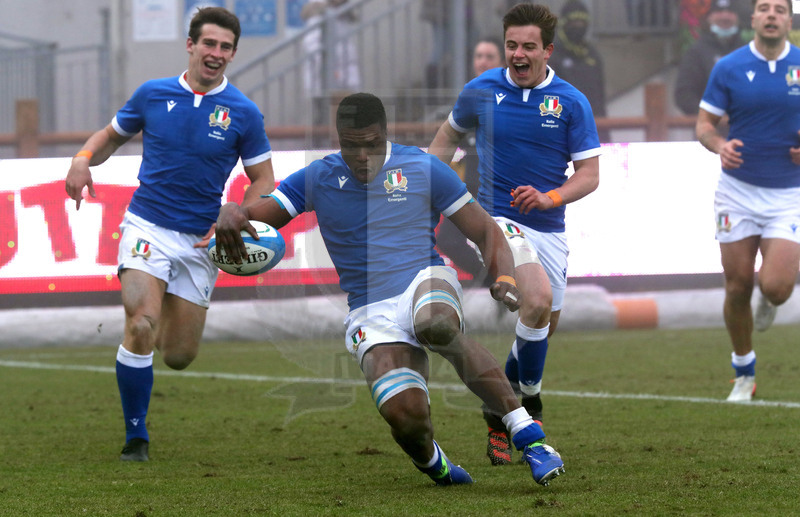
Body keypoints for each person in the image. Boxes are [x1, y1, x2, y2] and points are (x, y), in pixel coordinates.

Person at [212, 92, 565, 487]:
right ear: (338, 139)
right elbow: (256, 216)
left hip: (424, 280)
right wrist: (232, 211)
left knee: (435, 324)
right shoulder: (318, 177)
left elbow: (485, 229)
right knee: (408, 422)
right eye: (351, 146)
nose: (362, 155)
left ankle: (528, 436)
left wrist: (505, 276)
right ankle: (436, 464)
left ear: (386, 134)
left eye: (371, 144)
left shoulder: (423, 167)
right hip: (369, 310)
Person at [64, 7, 275, 461]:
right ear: (191, 45)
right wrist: (82, 158)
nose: (215, 53)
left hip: (202, 242)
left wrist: (237, 207)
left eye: (225, 47)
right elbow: (109, 136)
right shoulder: (152, 94)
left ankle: (142, 347)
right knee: (141, 321)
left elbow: (264, 180)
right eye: (209, 44)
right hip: (147, 226)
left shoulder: (244, 112)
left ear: (233, 53)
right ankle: (135, 437)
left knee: (179, 354)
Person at [428, 3, 601, 466]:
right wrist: (430, 190)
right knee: (537, 301)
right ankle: (532, 408)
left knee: (539, 327)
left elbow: (589, 173)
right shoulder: (480, 90)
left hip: (550, 228)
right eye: (511, 45)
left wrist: (551, 198)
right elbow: (445, 141)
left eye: (528, 47)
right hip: (498, 220)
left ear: (547, 50)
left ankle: (499, 411)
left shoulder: (571, 102)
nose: (518, 55)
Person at [695, 0, 800, 402]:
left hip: (788, 194)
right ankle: (744, 371)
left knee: (775, 288)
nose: (771, 14)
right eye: (763, 8)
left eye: (779, 9)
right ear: (753, 19)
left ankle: (771, 302)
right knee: (737, 285)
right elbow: (704, 124)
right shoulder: (729, 67)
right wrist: (720, 145)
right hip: (737, 192)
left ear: (789, 20)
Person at [436, 36, 504, 285]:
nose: (482, 62)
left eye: (489, 57)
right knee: (448, 239)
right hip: (472, 188)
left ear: (502, 62)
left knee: (505, 244)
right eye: (478, 56)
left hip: (503, 189)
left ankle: (510, 285)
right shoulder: (469, 97)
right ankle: (494, 283)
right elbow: (451, 138)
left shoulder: (512, 99)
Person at [547, 0, 609, 142]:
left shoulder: (592, 55)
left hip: (593, 127)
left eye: (582, 22)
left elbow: (600, 96)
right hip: (563, 129)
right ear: (564, 23)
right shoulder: (552, 55)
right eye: (574, 22)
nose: (579, 27)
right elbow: (548, 96)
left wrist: (605, 134)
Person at [675, 0, 744, 116]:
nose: (725, 16)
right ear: (709, 17)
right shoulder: (696, 52)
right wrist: (709, 116)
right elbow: (684, 94)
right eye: (719, 12)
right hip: (708, 130)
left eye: (730, 12)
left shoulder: (748, 52)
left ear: (737, 18)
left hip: (745, 129)